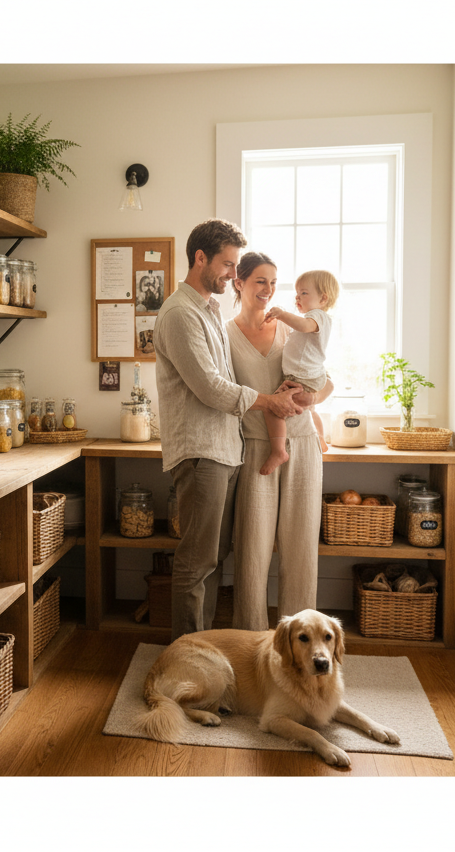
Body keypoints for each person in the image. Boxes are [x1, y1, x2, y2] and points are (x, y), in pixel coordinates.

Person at [153, 220, 312, 639]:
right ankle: (187, 656)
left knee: (213, 558)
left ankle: (202, 649)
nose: (231, 273)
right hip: (201, 451)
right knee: (197, 560)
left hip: (225, 450)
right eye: (227, 264)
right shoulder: (180, 314)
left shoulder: (207, 310)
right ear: (200, 258)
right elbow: (209, 387)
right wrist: (269, 401)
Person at [227, 252, 334, 627]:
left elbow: (326, 379)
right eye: (260, 281)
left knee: (301, 549)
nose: (269, 290)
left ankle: (301, 642)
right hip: (257, 447)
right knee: (252, 553)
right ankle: (251, 642)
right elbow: (222, 393)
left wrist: (312, 398)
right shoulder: (224, 335)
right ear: (239, 283)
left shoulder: (295, 327)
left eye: (274, 282)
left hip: (302, 446)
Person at [258, 269, 341, 474]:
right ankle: (320, 438)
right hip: (309, 375)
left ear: (323, 298)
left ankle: (278, 451)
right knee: (311, 411)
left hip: (302, 377)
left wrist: (282, 314)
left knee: (272, 407)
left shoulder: (317, 317)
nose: (297, 297)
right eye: (296, 293)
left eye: (303, 293)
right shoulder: (316, 317)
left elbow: (304, 326)